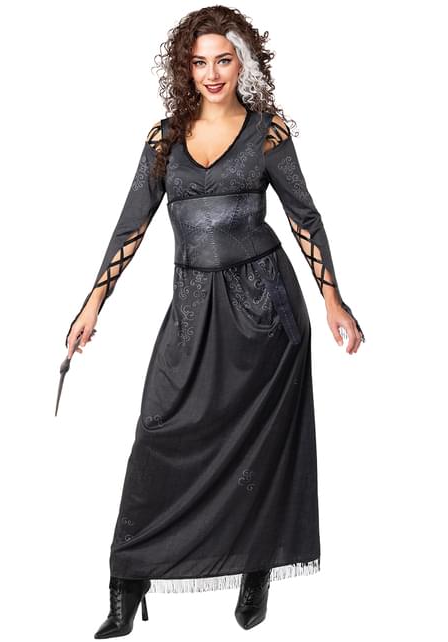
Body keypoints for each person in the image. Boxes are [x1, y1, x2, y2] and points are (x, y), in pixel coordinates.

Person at [64, 6, 365, 638]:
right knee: (159, 430)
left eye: (223, 60)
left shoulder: (267, 133)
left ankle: (257, 567)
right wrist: (93, 303)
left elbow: (304, 217)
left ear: (242, 62)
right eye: (199, 62)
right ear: (186, 68)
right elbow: (131, 225)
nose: (212, 73)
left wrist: (333, 300)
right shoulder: (164, 139)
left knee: (260, 447)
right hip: (192, 309)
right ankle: (127, 582)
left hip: (266, 313)